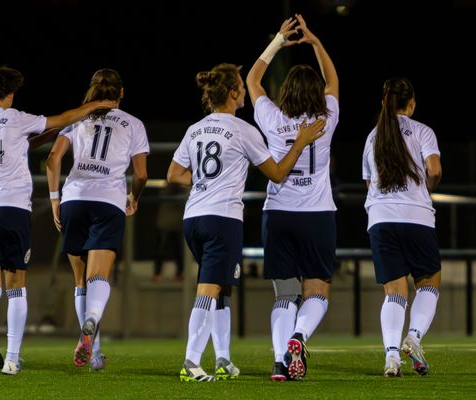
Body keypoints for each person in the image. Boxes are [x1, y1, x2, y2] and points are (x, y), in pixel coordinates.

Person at [167, 62, 325, 382]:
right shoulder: (244, 131)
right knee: (210, 289)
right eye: (240, 84)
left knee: (222, 289)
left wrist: (204, 183)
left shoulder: (195, 129)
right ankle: (191, 361)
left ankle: (223, 359)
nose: (243, 90)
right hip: (221, 219)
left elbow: (174, 175)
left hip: (193, 217)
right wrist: (301, 142)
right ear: (233, 93)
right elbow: (278, 174)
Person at [0, 65, 117, 375]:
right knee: (17, 285)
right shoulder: (16, 117)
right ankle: (11, 359)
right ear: (9, 93)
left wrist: (47, 136)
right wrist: (94, 106)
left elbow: (23, 143)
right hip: (11, 207)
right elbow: (62, 119)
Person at [246, 14, 339, 381]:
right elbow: (332, 80)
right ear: (315, 94)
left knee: (284, 294)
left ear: (285, 90)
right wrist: (314, 42)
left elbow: (252, 79)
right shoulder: (327, 116)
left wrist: (279, 41)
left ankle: (280, 364)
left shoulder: (270, 117)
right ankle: (298, 338)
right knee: (317, 290)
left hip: (278, 213)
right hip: (317, 214)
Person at [46, 68, 149, 371]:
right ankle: (91, 323)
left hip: (74, 199)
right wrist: (135, 197)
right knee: (99, 277)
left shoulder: (78, 118)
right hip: (108, 201)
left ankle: (94, 352)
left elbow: (53, 159)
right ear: (121, 93)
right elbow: (141, 174)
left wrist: (55, 199)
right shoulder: (133, 123)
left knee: (80, 281)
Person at [362, 77, 442, 377]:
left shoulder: (372, 137)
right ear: (411, 103)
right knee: (429, 282)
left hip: (381, 218)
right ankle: (415, 336)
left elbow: (370, 184)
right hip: (417, 216)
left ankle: (392, 357)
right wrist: (424, 190)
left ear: (384, 102)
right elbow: (434, 169)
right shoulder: (422, 131)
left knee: (394, 292)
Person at [152, 183, 185, 282]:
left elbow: (185, 199)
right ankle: (157, 273)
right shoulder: (166, 189)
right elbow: (162, 196)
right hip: (165, 224)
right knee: (161, 250)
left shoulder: (183, 189)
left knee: (178, 251)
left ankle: (179, 273)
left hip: (176, 225)